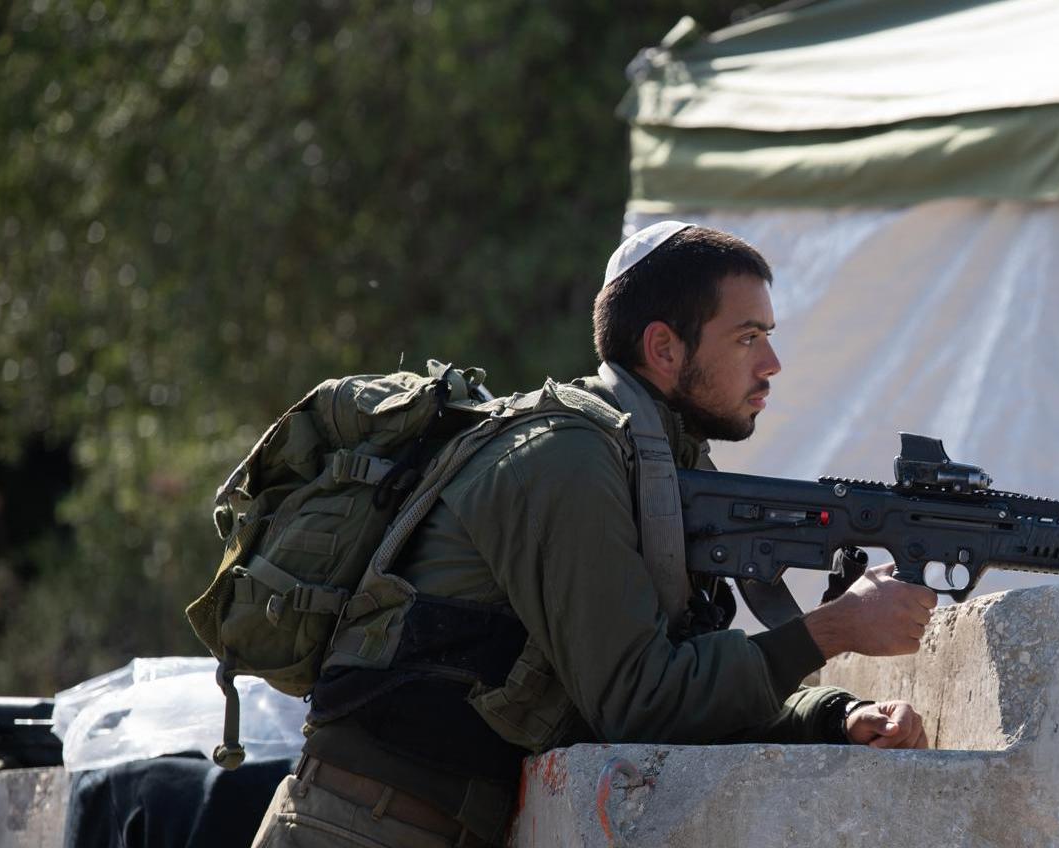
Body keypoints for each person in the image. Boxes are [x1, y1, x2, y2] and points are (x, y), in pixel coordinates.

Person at [251, 223, 938, 847]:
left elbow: (689, 688)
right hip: (354, 829)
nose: (773, 366)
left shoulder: (653, 465)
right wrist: (831, 631)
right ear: (664, 347)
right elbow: (642, 703)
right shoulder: (567, 459)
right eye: (749, 336)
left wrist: (835, 716)